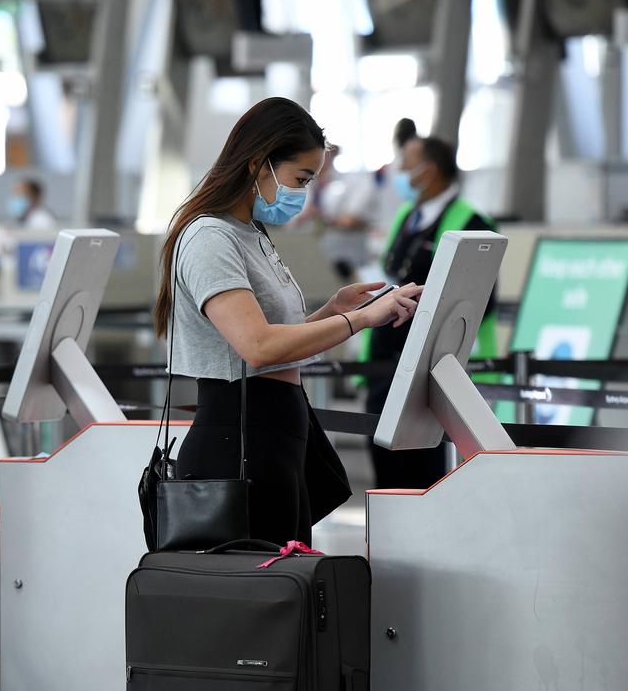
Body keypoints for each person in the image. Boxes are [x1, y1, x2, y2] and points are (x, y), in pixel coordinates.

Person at [153, 97, 423, 545]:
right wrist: (359, 322)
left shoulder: (251, 233)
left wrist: (333, 311)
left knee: (283, 588)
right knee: (255, 597)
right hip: (237, 440)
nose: (306, 193)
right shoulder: (209, 237)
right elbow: (257, 347)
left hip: (275, 434)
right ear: (260, 164)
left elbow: (276, 342)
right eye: (301, 178)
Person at [360, 135, 498, 489]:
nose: (400, 172)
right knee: (386, 463)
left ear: (430, 170)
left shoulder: (471, 222)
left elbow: (480, 298)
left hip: (434, 366)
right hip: (388, 361)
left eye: (407, 163)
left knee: (428, 469)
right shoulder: (407, 216)